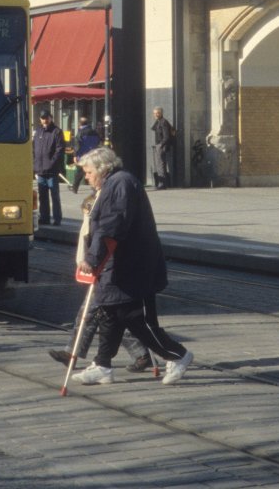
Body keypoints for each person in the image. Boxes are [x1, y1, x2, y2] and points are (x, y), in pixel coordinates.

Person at [72, 146, 193, 386]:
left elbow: (111, 226)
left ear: (102, 168)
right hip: (118, 264)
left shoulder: (120, 184)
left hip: (133, 265)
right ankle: (103, 365)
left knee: (136, 318)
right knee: (110, 313)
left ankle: (178, 355)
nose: (86, 177)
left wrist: (92, 258)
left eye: (88, 172)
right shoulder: (112, 184)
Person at [48, 191, 152, 372]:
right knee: (113, 316)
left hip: (108, 272)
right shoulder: (94, 216)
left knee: (93, 314)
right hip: (103, 271)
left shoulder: (106, 219)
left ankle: (73, 355)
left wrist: (91, 262)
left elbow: (100, 244)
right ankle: (141, 355)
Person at [33, 109, 65, 225]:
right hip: (40, 169)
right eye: (42, 118)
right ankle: (44, 218)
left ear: (51, 118)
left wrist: (52, 163)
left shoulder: (56, 132)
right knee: (42, 196)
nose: (44, 120)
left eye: (46, 118)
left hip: (51, 170)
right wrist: (34, 164)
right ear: (40, 119)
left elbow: (60, 149)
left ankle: (57, 219)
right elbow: (33, 148)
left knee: (54, 195)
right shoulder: (37, 131)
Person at [70, 116, 101, 194]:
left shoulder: (80, 132)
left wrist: (75, 156)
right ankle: (95, 188)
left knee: (79, 172)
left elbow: (77, 145)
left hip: (82, 155)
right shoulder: (94, 132)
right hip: (92, 155)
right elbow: (98, 142)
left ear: (79, 123)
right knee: (92, 172)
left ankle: (74, 188)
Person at [151, 107, 174, 189]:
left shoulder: (163, 122)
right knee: (160, 164)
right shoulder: (159, 122)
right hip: (159, 145)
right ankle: (162, 183)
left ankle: (162, 184)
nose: (155, 115)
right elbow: (153, 128)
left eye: (157, 113)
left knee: (160, 164)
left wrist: (161, 144)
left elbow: (166, 136)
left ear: (161, 113)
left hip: (161, 146)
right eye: (154, 113)